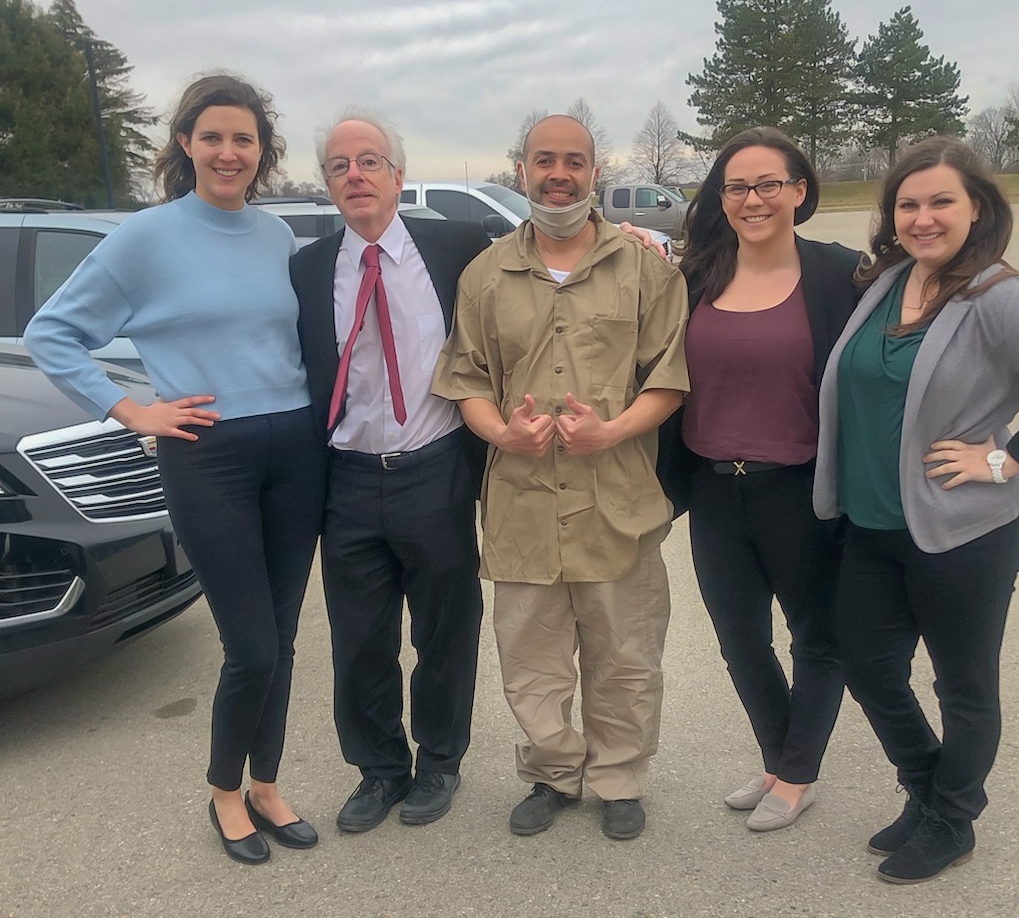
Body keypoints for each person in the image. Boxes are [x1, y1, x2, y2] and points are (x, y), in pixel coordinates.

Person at [24, 74, 327, 865]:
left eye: (245, 139)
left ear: (263, 153)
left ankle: (266, 783)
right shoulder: (143, 237)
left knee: (284, 637)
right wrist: (130, 411)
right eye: (214, 137)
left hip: (295, 449)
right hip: (209, 455)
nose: (230, 153)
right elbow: (53, 333)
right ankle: (225, 790)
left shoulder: (272, 236)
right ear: (186, 144)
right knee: (250, 644)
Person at [813, 137, 1019, 883]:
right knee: (869, 667)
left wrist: (1009, 458)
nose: (923, 217)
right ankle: (925, 789)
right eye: (908, 204)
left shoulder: (1000, 296)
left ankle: (953, 818)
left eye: (941, 201)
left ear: (976, 207)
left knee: (964, 684)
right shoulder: (885, 282)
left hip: (965, 530)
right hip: (871, 525)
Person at [432, 114, 689, 841]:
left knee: (626, 653)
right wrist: (502, 433)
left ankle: (619, 777)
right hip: (521, 506)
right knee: (533, 658)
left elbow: (668, 380)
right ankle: (552, 773)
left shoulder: (645, 269)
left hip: (618, 501)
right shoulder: (485, 277)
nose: (559, 174)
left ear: (594, 171)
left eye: (574, 161)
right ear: (522, 171)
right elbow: (467, 381)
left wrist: (610, 431)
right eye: (545, 160)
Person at [289, 109, 490, 834]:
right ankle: (379, 769)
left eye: (369, 161)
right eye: (340, 166)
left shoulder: (458, 246)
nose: (355, 175)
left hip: (433, 467)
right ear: (328, 186)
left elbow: (543, 266)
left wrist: (632, 241)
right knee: (359, 637)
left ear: (398, 177)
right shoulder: (309, 268)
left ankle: (439, 760)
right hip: (345, 476)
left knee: (444, 629)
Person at [669, 127, 858, 832]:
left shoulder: (841, 274)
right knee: (739, 639)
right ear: (722, 198)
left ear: (800, 190)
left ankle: (797, 772)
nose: (752, 199)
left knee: (816, 635)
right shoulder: (698, 275)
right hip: (714, 488)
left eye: (768, 184)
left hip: (800, 489)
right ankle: (782, 760)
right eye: (737, 187)